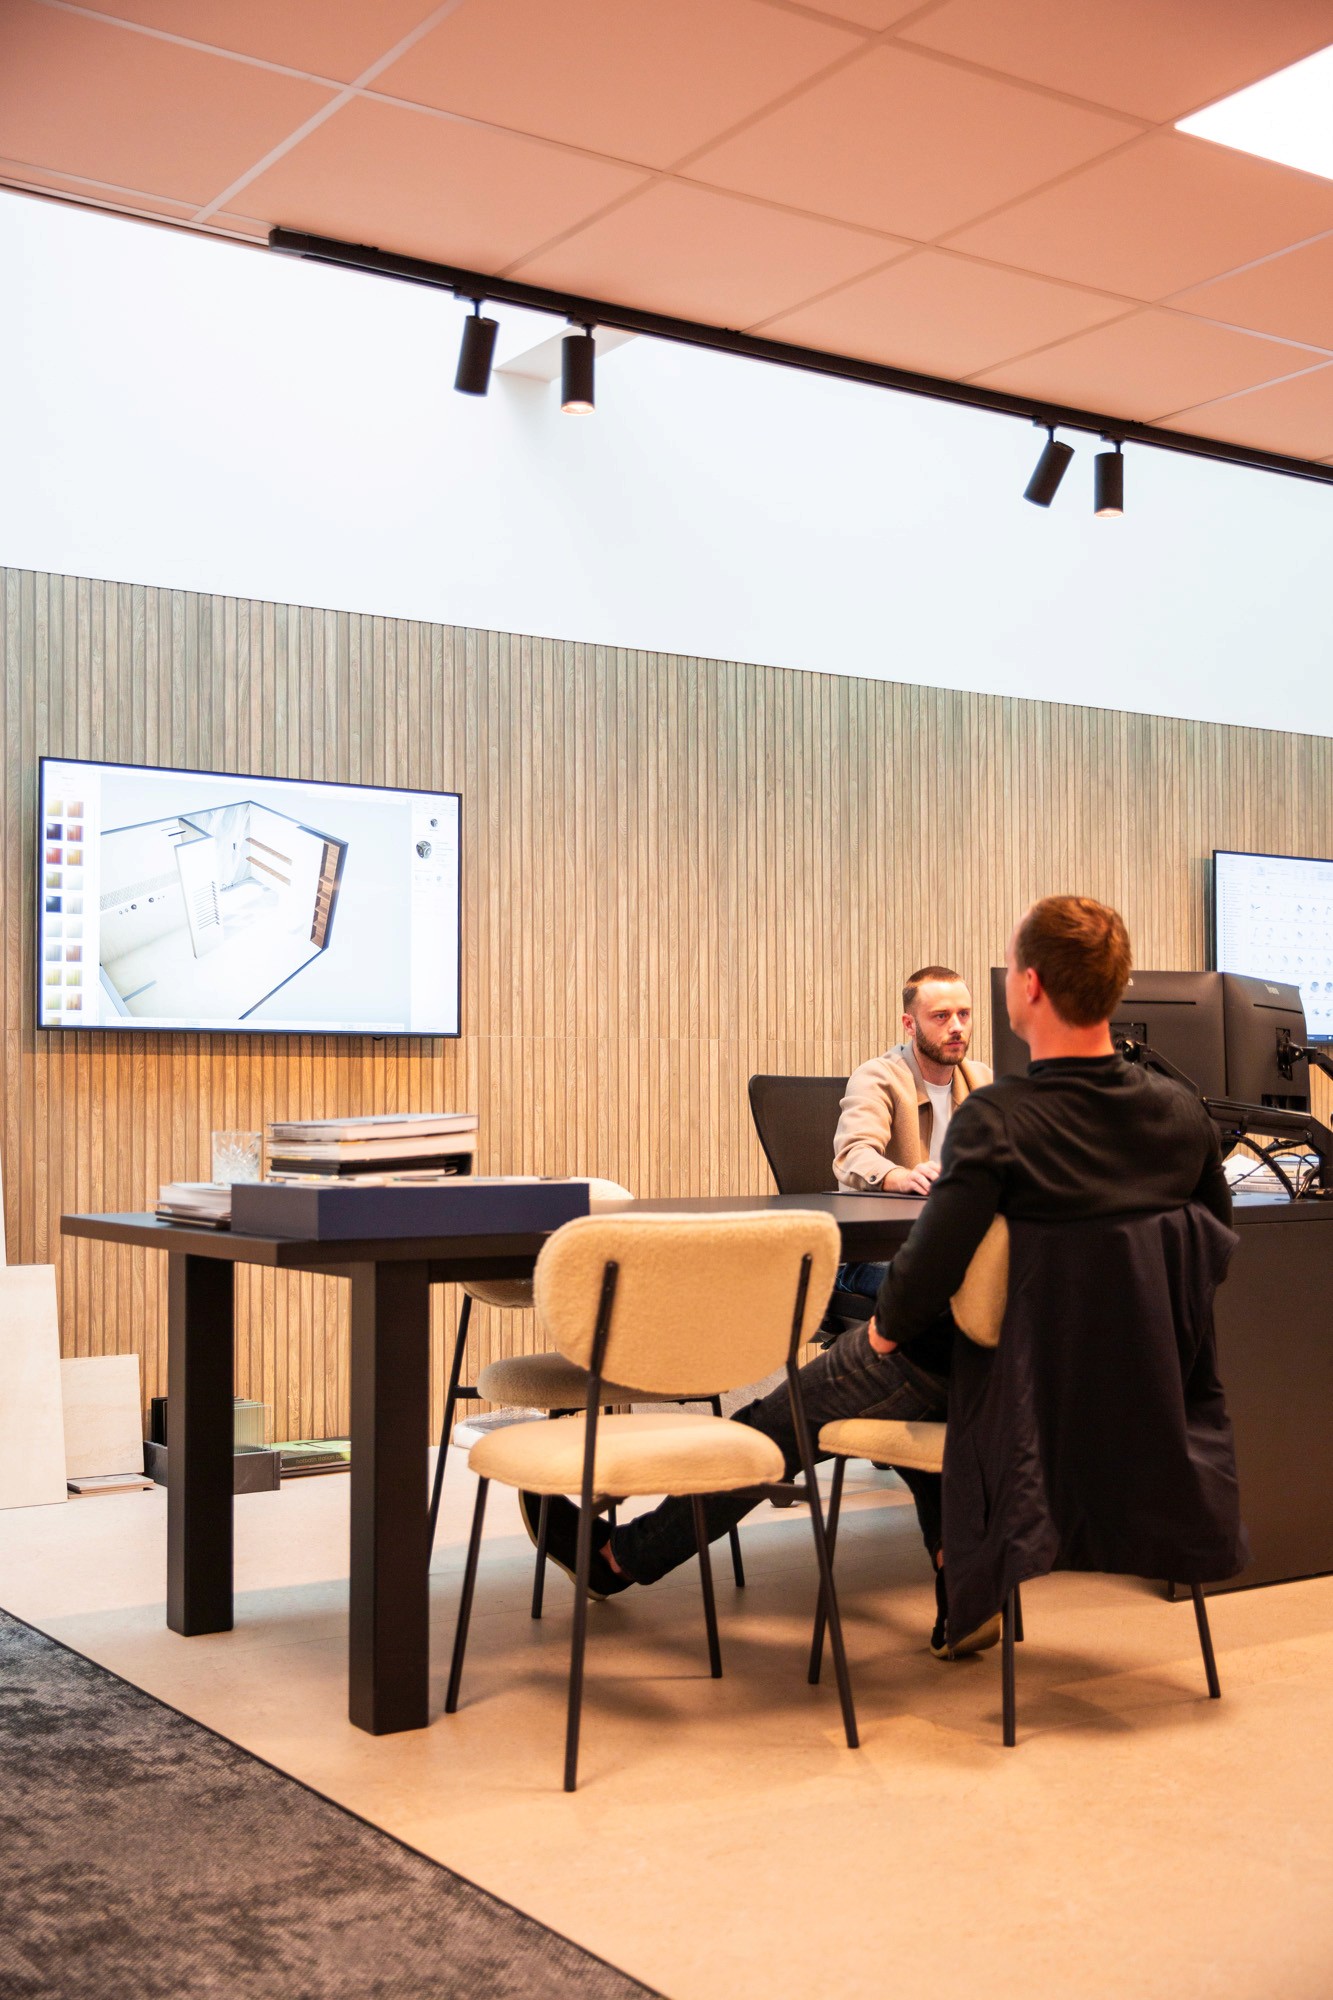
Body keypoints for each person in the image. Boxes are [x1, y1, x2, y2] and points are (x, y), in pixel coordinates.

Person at [523, 897, 1231, 1658]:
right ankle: (958, 1578)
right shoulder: (1181, 1113)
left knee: (781, 1420)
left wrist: (884, 1335)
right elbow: (1210, 1251)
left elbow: (925, 1272)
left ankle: (619, 1559)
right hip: (1103, 1379)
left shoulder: (1000, 1117)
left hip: (985, 1365)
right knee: (915, 1406)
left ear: (1026, 986)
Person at [832, 964, 991, 1313]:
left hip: (948, 1241)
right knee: (958, 1289)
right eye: (941, 1016)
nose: (957, 1027)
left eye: (964, 1014)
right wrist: (902, 1177)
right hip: (873, 1254)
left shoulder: (982, 1080)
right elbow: (854, 1153)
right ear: (910, 1024)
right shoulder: (878, 1077)